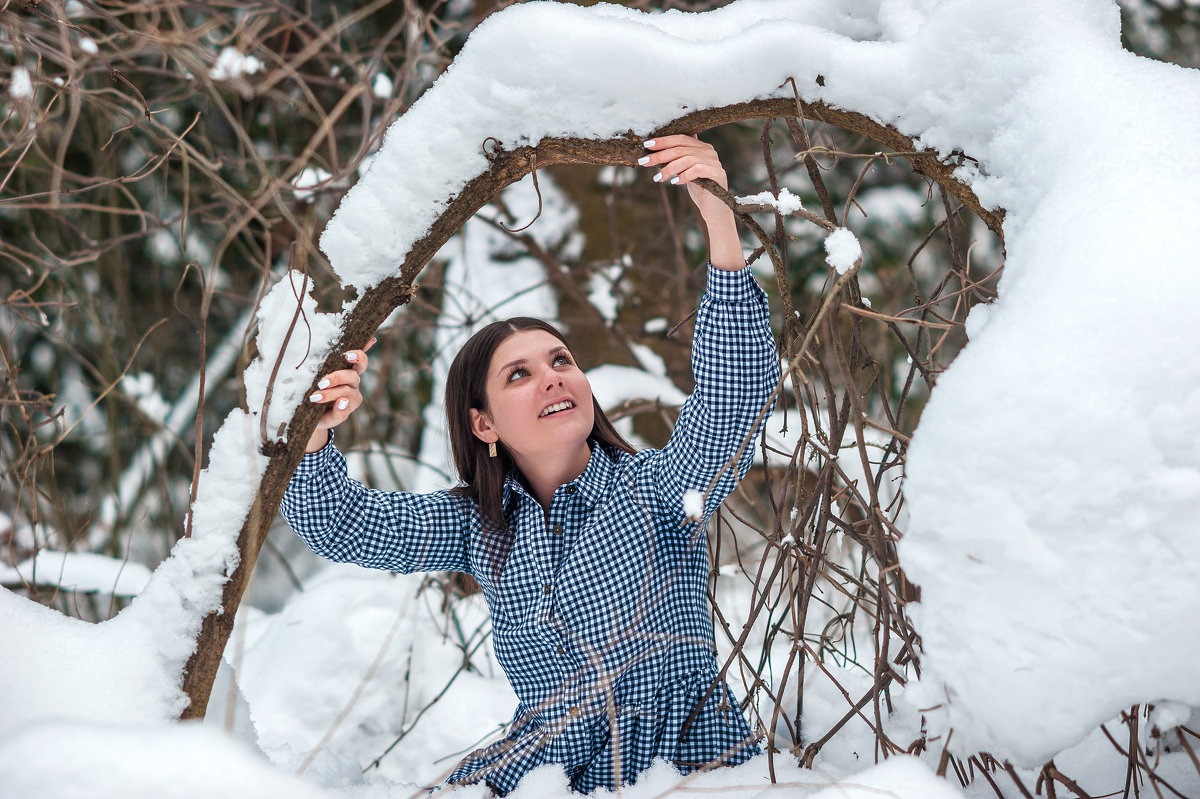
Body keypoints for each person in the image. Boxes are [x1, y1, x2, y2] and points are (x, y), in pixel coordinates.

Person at [281, 135, 780, 795]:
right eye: (520, 373)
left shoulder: (660, 488)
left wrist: (720, 221)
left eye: (561, 360)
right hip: (538, 773)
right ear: (482, 423)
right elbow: (343, 524)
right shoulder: (477, 525)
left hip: (683, 770)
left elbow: (733, 397)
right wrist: (314, 431)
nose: (553, 377)